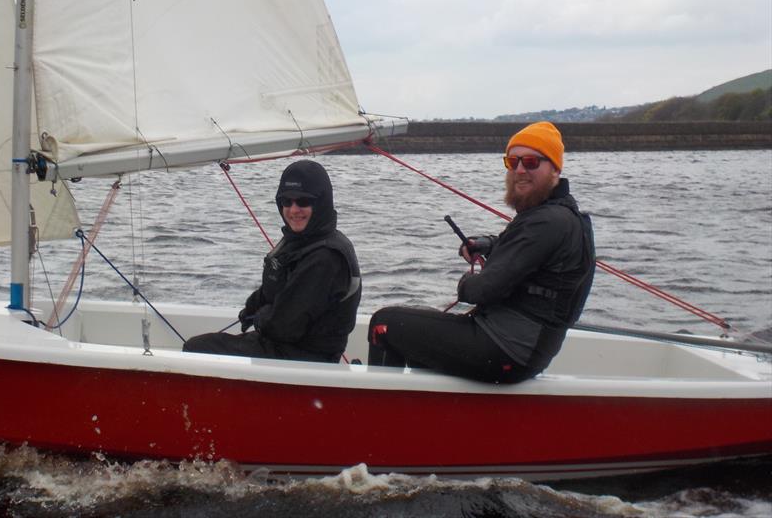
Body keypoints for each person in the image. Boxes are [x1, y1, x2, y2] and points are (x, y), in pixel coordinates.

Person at [367, 121, 595, 383]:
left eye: (531, 162)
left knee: (384, 324)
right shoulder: (562, 217)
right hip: (525, 351)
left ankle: (377, 417)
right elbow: (522, 248)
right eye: (513, 162)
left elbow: (481, 291)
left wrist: (465, 282)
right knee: (418, 326)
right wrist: (486, 244)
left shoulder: (546, 222)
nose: (520, 170)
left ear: (554, 168)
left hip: (505, 351)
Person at [183, 160, 361, 363]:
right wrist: (252, 306)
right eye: (286, 201)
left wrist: (260, 317)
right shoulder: (302, 240)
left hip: (305, 360)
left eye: (303, 201)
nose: (294, 210)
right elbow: (279, 288)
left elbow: (284, 327)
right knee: (205, 344)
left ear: (320, 203)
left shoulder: (325, 257)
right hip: (283, 348)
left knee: (196, 348)